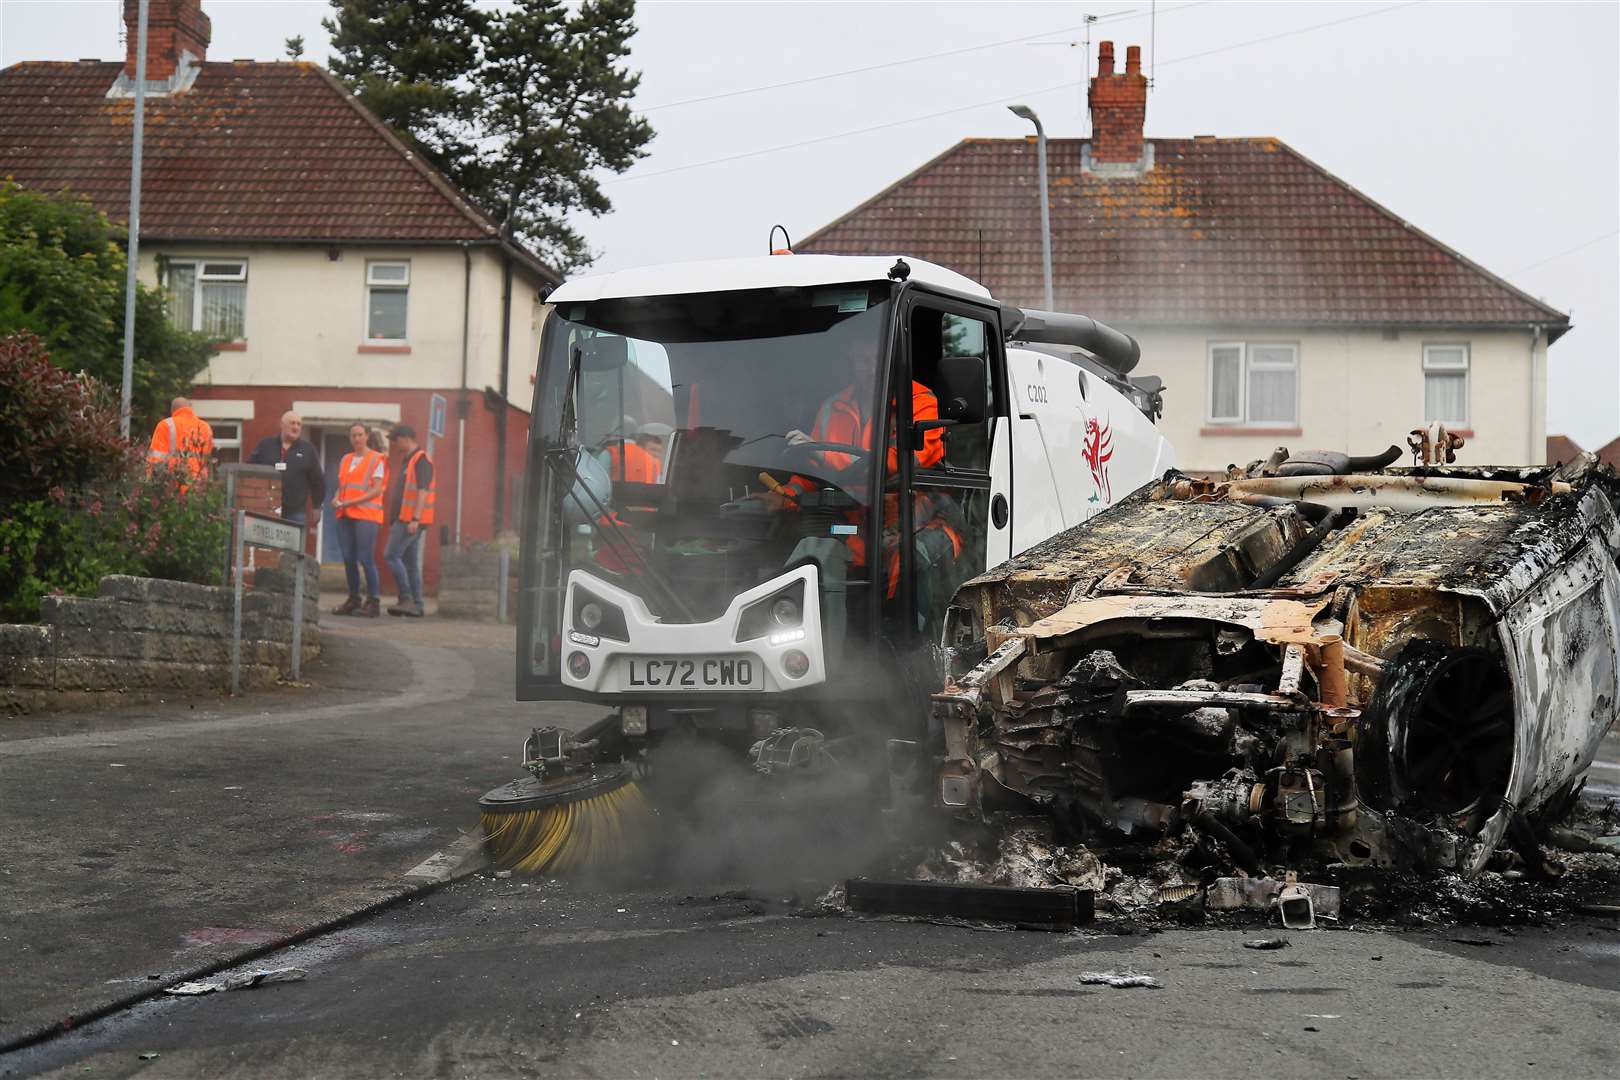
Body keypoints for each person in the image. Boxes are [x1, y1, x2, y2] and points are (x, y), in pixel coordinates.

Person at [330, 423, 387, 617]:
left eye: (360, 435)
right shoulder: (346, 459)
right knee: (348, 558)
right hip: (345, 514)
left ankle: (374, 602)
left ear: (367, 436)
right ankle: (354, 599)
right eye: (353, 435)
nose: (356, 439)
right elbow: (342, 485)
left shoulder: (377, 459)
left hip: (366, 516)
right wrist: (336, 497)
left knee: (366, 558)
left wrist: (350, 502)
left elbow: (377, 489)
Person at [383, 423, 435, 617]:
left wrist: (415, 518)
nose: (395, 445)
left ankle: (406, 599)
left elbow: (423, 491)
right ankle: (418, 605)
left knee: (391, 555)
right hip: (406, 520)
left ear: (405, 438)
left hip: (409, 521)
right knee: (411, 563)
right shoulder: (410, 460)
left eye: (396, 440)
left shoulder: (421, 460)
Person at [249, 411, 324, 525]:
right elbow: (249, 470)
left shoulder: (308, 449)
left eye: (299, 424)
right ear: (282, 425)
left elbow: (318, 480)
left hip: (295, 512)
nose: (296, 427)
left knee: (293, 543)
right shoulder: (265, 445)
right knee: (267, 543)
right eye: (292, 423)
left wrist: (317, 506)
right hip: (266, 508)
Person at [146, 396, 214, 489]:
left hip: (174, 485)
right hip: (199, 484)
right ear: (190, 409)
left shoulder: (166, 425)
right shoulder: (205, 427)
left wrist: (149, 482)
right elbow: (207, 458)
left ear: (173, 410)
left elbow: (155, 458)